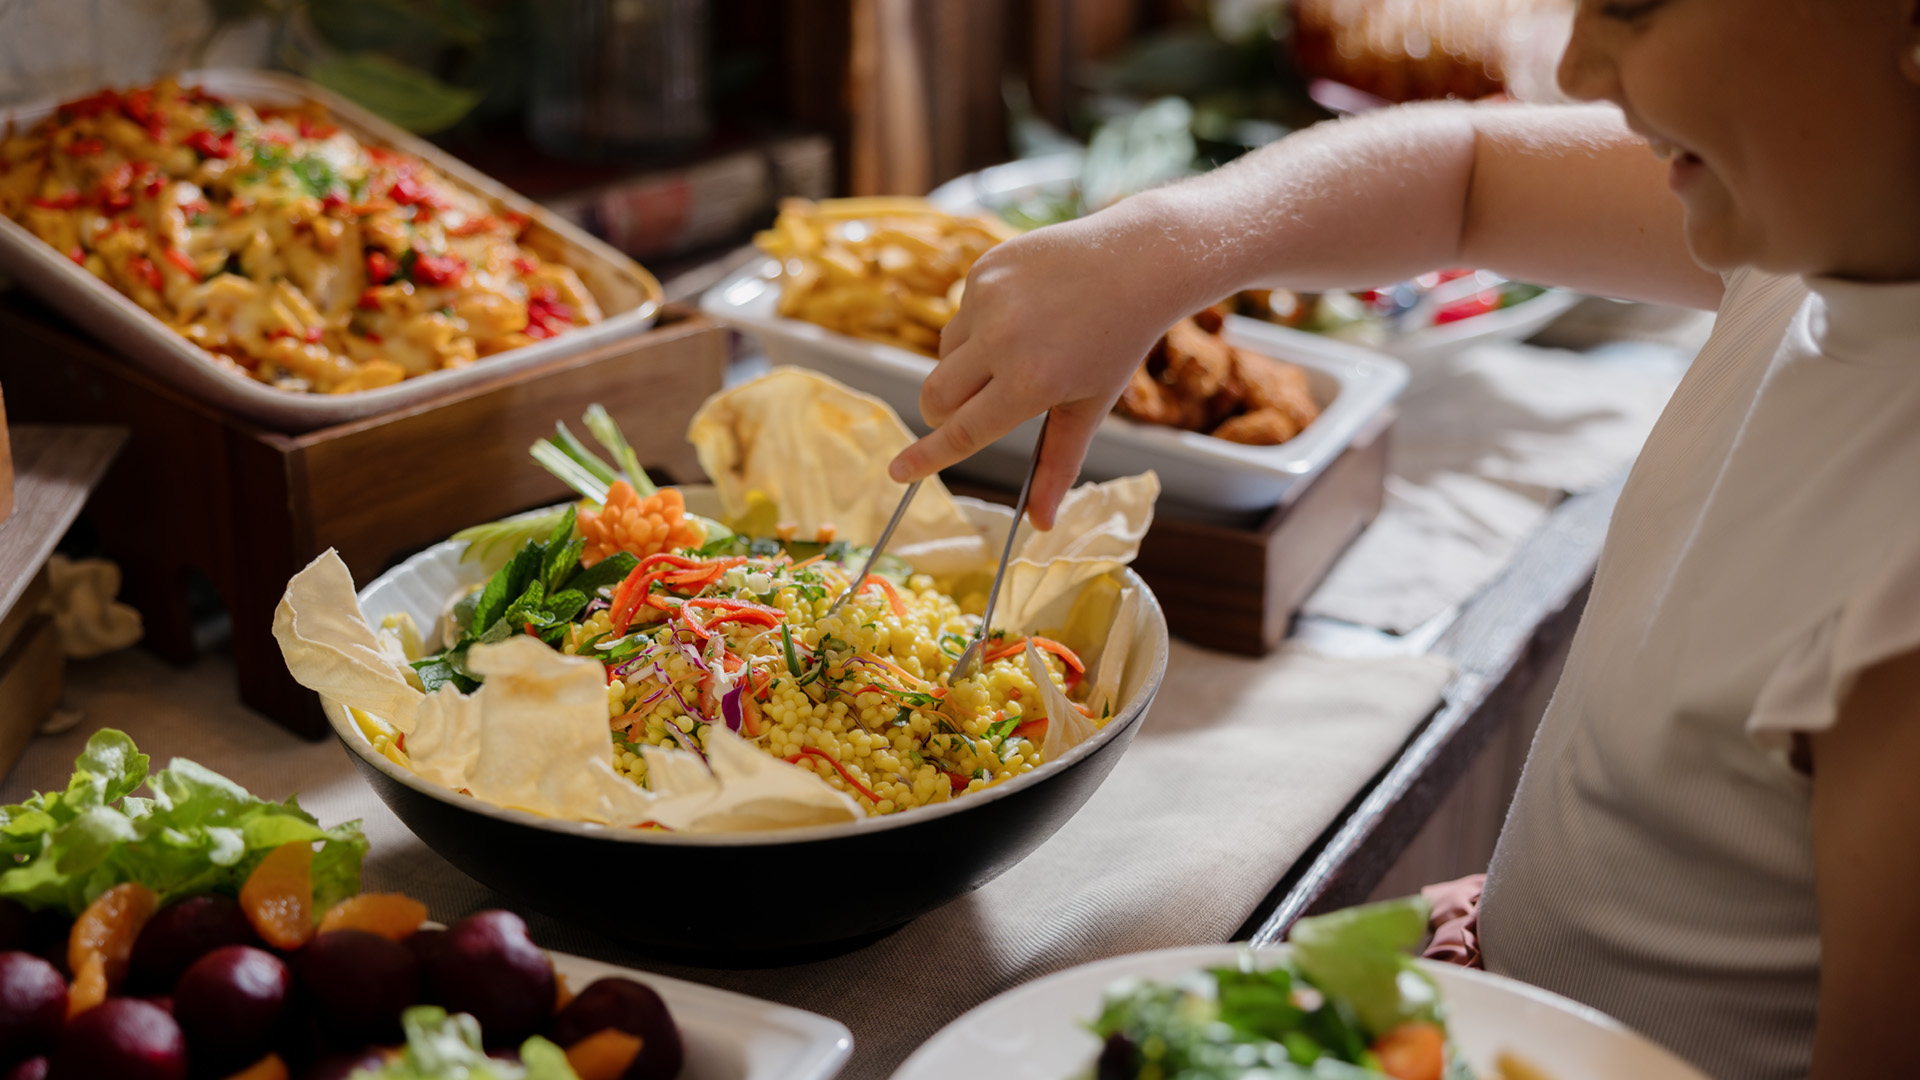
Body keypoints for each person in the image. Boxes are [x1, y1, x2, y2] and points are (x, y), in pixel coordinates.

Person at [886, 2, 1920, 1077]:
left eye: (1632, 5)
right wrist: (1162, 249)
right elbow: (1470, 171)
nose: (1576, 63)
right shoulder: (1819, 226)